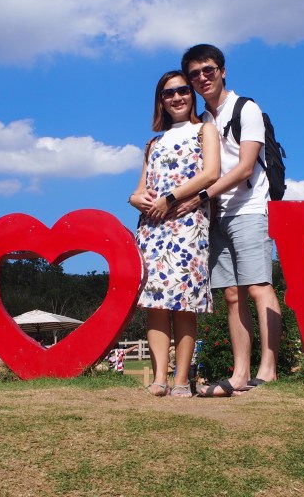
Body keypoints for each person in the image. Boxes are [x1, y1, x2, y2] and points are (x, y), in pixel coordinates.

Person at [171, 44, 282, 397]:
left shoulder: (246, 108)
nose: (202, 78)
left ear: (222, 71)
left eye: (208, 70)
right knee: (231, 295)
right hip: (216, 215)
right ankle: (240, 374)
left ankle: (268, 370)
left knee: (258, 286)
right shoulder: (203, 121)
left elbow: (246, 167)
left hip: (250, 208)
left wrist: (201, 196)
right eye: (194, 74)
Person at [129, 70, 220, 398]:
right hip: (152, 227)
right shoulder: (153, 143)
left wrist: (170, 198)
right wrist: (136, 200)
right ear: (161, 101)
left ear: (191, 95)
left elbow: (211, 173)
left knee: (184, 304)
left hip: (187, 223)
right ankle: (159, 379)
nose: (177, 97)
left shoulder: (204, 130)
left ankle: (181, 380)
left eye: (182, 90)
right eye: (168, 93)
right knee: (155, 303)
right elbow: (139, 189)